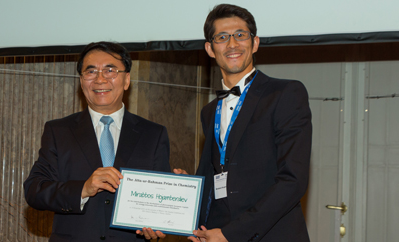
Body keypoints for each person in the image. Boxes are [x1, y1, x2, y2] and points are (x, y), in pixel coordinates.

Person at [174, 4, 312, 242]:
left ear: (255, 43)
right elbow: (215, 176)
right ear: (209, 48)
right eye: (222, 37)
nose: (232, 44)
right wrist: (185, 194)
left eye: (240, 35)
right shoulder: (209, 112)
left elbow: (293, 180)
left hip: (271, 235)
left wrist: (231, 234)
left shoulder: (285, 93)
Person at [24, 41, 169, 242]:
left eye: (110, 70)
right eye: (91, 72)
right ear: (82, 81)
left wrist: (159, 220)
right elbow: (35, 190)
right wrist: (83, 188)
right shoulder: (59, 131)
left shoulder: (153, 134)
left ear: (126, 80)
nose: (100, 79)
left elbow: (159, 199)